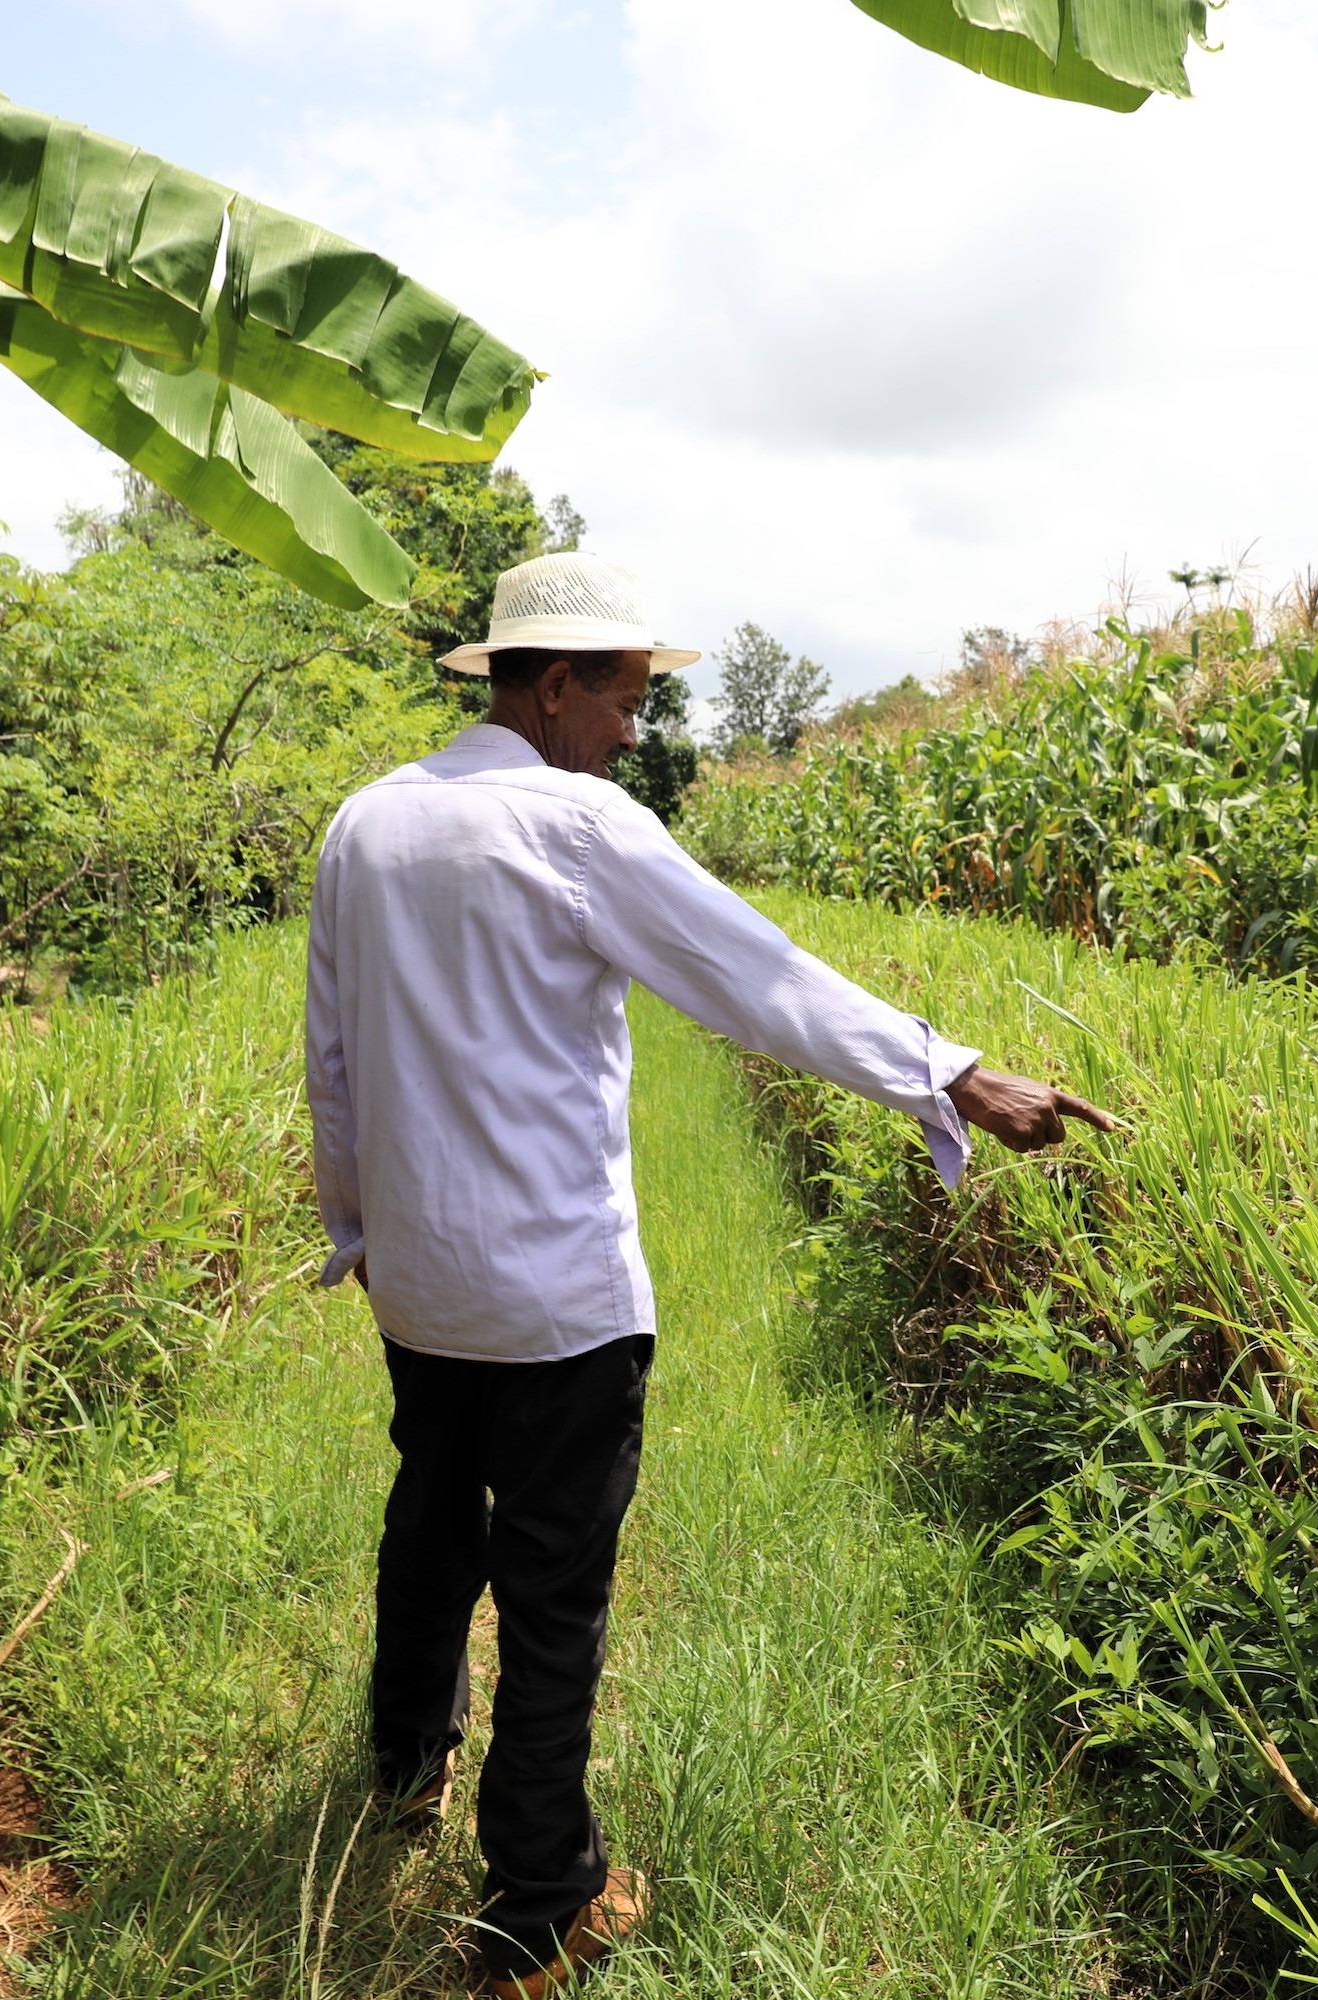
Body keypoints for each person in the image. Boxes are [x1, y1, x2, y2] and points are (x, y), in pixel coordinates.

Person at [304, 553, 1114, 1998]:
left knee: (431, 1514)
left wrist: (360, 1232)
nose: (632, 731)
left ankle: (404, 1759)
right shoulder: (576, 824)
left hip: (425, 1282)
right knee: (553, 1596)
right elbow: (759, 974)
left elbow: (335, 1058)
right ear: (553, 688)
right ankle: (537, 1907)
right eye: (620, 699)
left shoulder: (365, 826)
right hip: (554, 1297)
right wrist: (955, 1075)